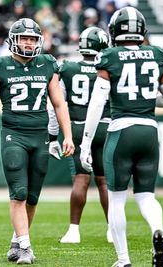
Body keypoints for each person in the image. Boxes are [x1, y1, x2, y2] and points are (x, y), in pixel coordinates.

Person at [0, 18, 75, 264]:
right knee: (19, 193)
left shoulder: (47, 64)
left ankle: (17, 242)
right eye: (24, 38)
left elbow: (59, 104)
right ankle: (26, 247)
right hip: (13, 134)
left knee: (33, 196)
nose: (28, 43)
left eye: (32, 39)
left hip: (40, 136)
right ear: (13, 40)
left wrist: (67, 135)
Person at [79, 7, 163, 267]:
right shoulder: (156, 54)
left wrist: (86, 142)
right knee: (147, 196)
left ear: (114, 31)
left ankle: (123, 259)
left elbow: (97, 104)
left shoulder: (109, 56)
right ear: (141, 31)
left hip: (121, 131)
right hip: (148, 130)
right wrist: (144, 99)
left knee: (117, 198)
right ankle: (157, 229)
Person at [47, 26, 112, 244]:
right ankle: (112, 229)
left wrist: (52, 136)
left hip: (76, 127)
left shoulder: (67, 67)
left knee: (81, 181)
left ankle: (74, 230)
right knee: (104, 182)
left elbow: (56, 106)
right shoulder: (109, 66)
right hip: (104, 127)